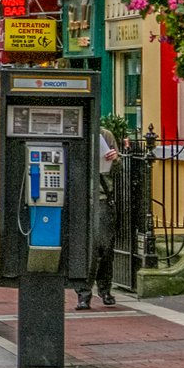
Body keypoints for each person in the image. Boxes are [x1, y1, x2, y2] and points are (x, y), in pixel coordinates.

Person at [77, 128, 122, 310]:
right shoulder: (77, 131)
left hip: (103, 198)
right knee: (86, 249)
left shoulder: (106, 135)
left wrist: (115, 159)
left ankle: (104, 289)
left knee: (104, 248)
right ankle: (83, 293)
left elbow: (118, 168)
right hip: (82, 199)